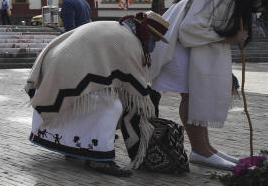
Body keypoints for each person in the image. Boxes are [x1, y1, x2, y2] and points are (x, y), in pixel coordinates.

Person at [149, 0, 268, 170]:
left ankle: (206, 148)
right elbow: (190, 29)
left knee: (195, 95)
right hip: (180, 48)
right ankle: (200, 150)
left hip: (187, 48)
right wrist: (230, 38)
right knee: (190, 96)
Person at [27, 12, 170, 177]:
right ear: (147, 32)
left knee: (107, 101)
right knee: (112, 107)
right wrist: (148, 104)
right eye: (156, 39)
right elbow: (136, 90)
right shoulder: (130, 41)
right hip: (65, 75)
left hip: (56, 70)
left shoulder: (118, 28)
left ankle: (75, 146)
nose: (155, 44)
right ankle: (99, 159)